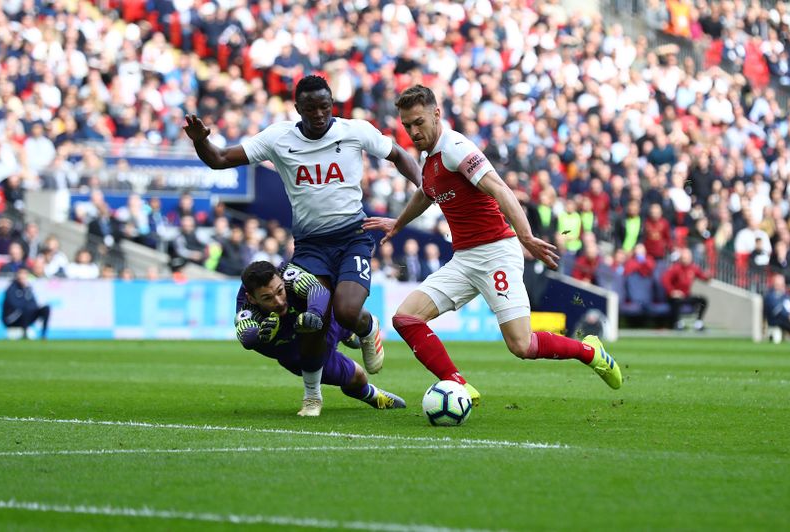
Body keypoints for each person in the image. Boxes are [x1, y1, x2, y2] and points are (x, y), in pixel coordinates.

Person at [363, 85, 623, 405]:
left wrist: (526, 236)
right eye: (407, 126)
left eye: (418, 122)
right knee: (406, 318)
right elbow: (425, 192)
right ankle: (458, 384)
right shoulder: (430, 159)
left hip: (496, 252)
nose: (413, 131)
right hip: (464, 259)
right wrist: (399, 223)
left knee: (521, 346)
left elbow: (501, 189)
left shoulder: (456, 148)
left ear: (436, 114)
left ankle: (590, 351)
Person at [184, 75, 421, 416]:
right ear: (298, 108)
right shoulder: (279, 138)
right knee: (313, 319)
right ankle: (312, 396)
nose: (319, 114)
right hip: (310, 246)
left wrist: (425, 187)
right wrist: (201, 141)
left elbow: (399, 155)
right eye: (310, 108)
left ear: (332, 105)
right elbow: (219, 159)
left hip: (353, 236)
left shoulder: (355, 131)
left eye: (325, 106)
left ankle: (367, 329)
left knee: (346, 311)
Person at [236, 261, 405, 415]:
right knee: (357, 378)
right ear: (252, 298)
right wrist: (260, 336)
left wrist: (314, 314)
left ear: (281, 279)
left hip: (322, 322)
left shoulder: (288, 274)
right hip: (295, 354)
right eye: (267, 298)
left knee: (344, 314)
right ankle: (372, 395)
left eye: (280, 291)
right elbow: (246, 336)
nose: (279, 301)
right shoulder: (247, 308)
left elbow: (317, 290)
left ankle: (351, 333)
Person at [660, 248, 710, 330]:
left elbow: (703, 277)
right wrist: (672, 291)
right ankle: (677, 323)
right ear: (681, 258)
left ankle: (698, 323)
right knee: (676, 301)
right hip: (675, 296)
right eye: (684, 258)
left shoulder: (693, 268)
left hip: (686, 295)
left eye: (687, 257)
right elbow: (665, 279)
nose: (686, 259)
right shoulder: (675, 268)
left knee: (703, 301)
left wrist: (708, 277)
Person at [1, 267, 51, 339]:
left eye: (25, 274)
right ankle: (24, 332)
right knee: (25, 308)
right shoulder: (11, 288)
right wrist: (27, 304)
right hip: (12, 318)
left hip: (26, 316)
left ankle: (43, 335)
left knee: (46, 308)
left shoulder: (28, 288)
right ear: (17, 275)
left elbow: (34, 303)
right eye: (21, 274)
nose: (23, 276)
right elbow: (14, 304)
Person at [764, 273, 790, 342]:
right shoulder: (770, 296)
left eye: (782, 284)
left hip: (788, 319)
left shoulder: (785, 295)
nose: (781, 286)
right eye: (779, 284)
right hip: (778, 320)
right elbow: (777, 310)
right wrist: (789, 316)